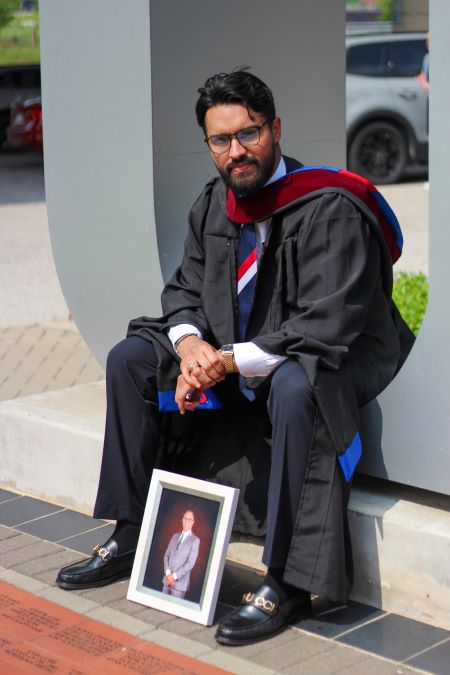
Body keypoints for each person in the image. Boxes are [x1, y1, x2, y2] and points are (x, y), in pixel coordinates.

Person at [56, 69, 413, 646]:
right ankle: (132, 532)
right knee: (131, 360)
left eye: (247, 134)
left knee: (300, 383)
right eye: (220, 140)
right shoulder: (217, 202)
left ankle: (288, 582)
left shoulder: (330, 207)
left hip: (325, 352)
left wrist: (226, 359)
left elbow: (329, 321)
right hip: (235, 349)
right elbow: (184, 290)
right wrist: (192, 345)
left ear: (275, 128)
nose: (235, 152)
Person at [161, 510, 200, 598]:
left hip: (179, 586)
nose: (187, 521)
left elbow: (190, 564)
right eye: (185, 518)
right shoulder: (174, 536)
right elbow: (166, 556)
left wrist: (174, 576)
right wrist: (168, 575)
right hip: (166, 580)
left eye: (190, 519)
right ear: (182, 520)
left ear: (193, 522)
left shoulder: (195, 540)